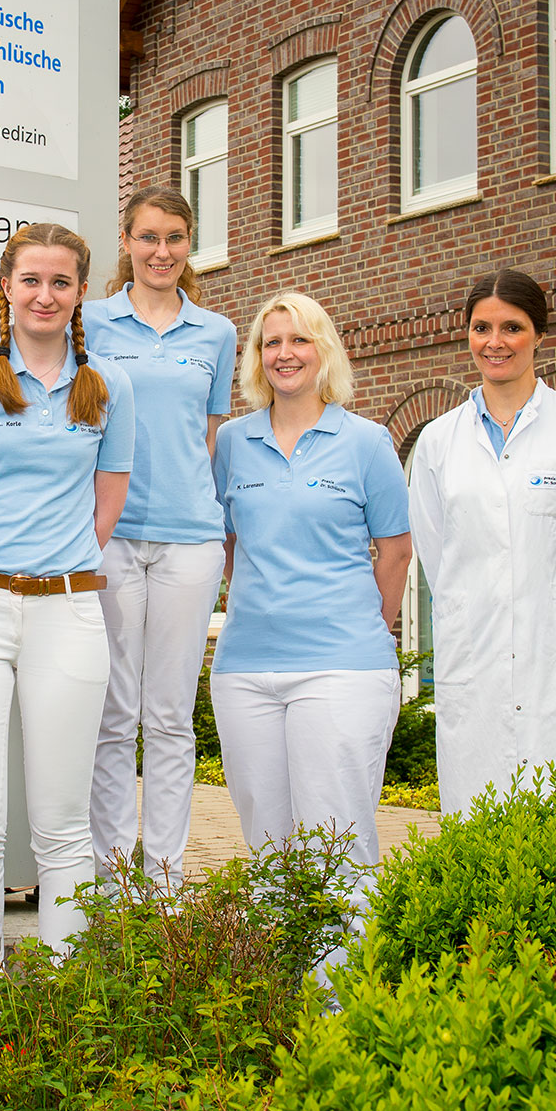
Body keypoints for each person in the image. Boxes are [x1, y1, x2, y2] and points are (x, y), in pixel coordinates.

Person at [0, 224, 134, 974]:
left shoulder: (107, 387)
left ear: (80, 294)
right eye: (31, 280)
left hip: (69, 614)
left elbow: (107, 505)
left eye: (62, 283)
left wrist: (59, 563)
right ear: (5, 287)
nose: (45, 295)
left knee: (63, 824)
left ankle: (69, 997)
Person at [209, 292, 412, 971]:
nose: (285, 354)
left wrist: (367, 630)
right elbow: (231, 543)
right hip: (246, 670)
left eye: (299, 340)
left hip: (342, 667)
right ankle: (280, 999)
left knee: (337, 842)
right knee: (269, 849)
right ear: (257, 359)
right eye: (272, 343)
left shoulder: (365, 442)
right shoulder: (235, 442)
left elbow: (396, 550)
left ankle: (342, 1004)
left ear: (324, 351)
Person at [408, 268, 556, 816]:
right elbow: (439, 558)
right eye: (481, 328)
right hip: (475, 653)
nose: (495, 342)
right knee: (482, 822)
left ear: (539, 335)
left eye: (512, 327)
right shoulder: (438, 441)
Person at [82, 188, 236, 891]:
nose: (162, 251)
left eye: (175, 237)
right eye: (149, 237)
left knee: (170, 715)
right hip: (110, 534)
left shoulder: (216, 332)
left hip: (189, 541)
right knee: (114, 712)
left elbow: (205, 440)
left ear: (189, 241)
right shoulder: (91, 322)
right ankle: (111, 876)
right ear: (127, 239)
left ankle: (166, 875)